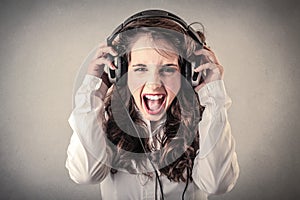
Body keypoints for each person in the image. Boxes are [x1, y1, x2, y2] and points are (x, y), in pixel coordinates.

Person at [66, 9, 239, 200]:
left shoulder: (204, 123)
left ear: (188, 74)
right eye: (140, 69)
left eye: (168, 69)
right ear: (121, 73)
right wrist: (94, 89)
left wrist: (215, 99)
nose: (154, 84)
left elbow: (217, 184)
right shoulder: (101, 122)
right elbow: (86, 175)